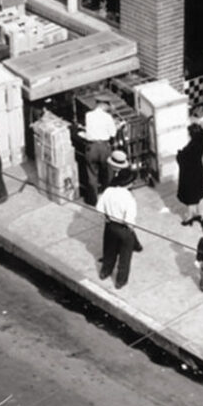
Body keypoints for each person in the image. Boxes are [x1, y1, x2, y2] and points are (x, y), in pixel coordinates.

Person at [97, 155, 142, 290]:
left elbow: (99, 207)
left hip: (110, 225)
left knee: (109, 250)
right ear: (128, 183)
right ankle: (120, 281)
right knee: (125, 256)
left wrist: (107, 217)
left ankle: (105, 271)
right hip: (123, 229)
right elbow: (129, 221)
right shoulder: (129, 199)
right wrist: (130, 229)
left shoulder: (109, 191)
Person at [82, 96, 121, 205]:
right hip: (104, 147)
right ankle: (108, 199)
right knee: (108, 174)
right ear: (104, 105)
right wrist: (117, 126)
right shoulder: (107, 117)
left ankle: (93, 200)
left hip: (91, 147)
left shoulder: (88, 115)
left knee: (92, 174)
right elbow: (112, 133)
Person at [177, 122, 203, 226]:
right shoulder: (202, 140)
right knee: (196, 193)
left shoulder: (192, 145)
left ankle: (190, 216)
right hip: (198, 169)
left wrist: (179, 154)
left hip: (189, 171)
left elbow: (184, 157)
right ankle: (197, 213)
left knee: (190, 194)